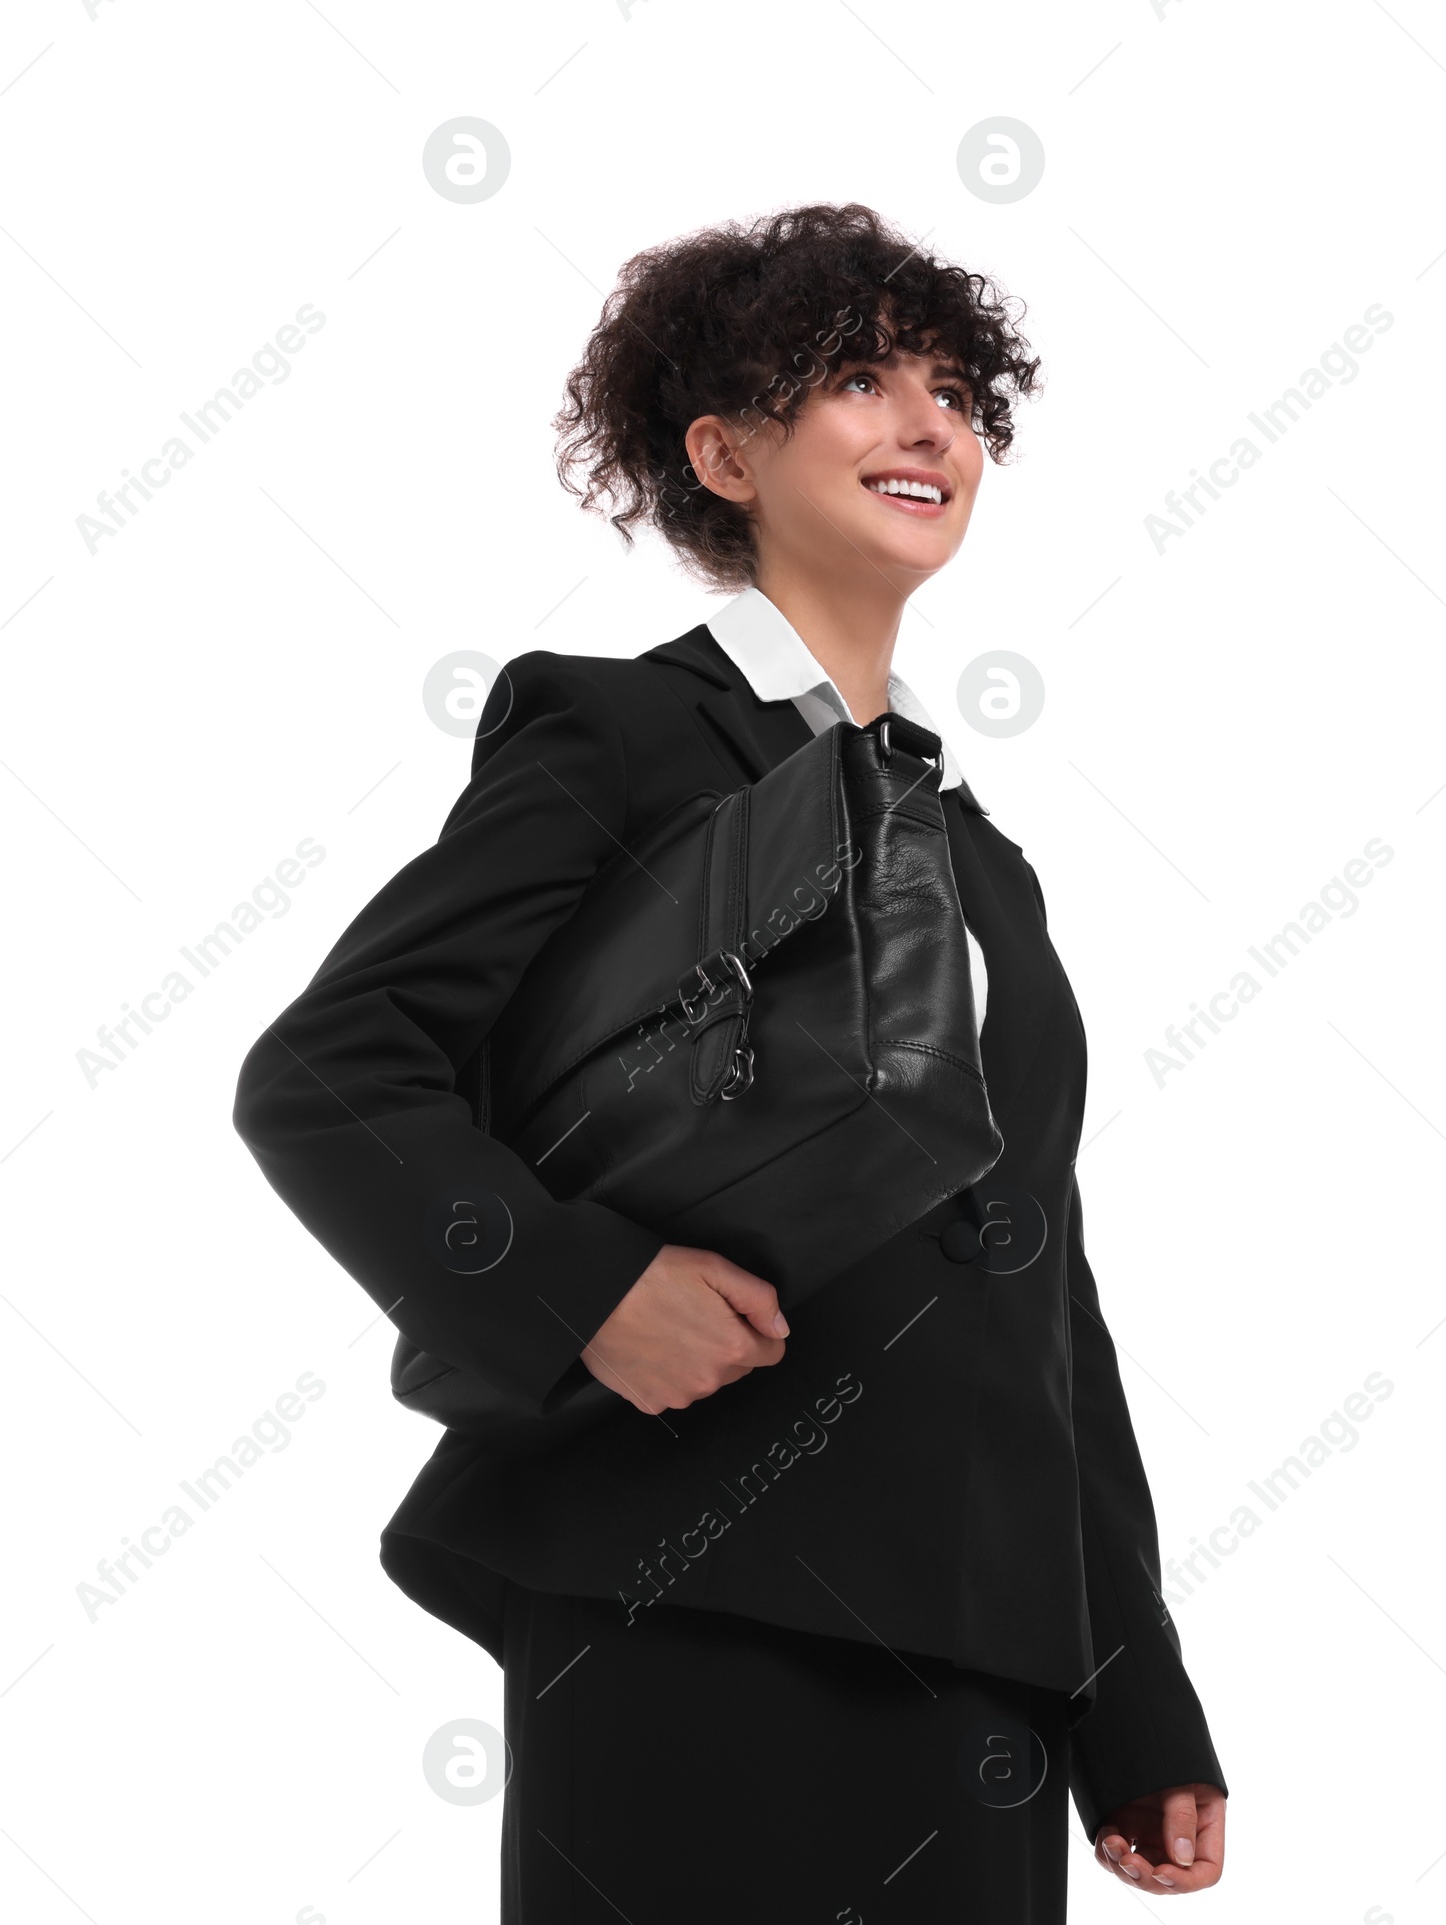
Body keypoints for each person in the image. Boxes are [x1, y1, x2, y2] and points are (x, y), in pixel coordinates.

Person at [233, 202, 1227, 1922]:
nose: (932, 425)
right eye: (858, 380)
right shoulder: (614, 735)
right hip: (689, 1583)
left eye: (953, 389)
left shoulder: (980, 856)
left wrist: (1133, 1687)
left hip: (976, 1656)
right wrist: (583, 1289)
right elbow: (330, 1070)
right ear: (724, 452)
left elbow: (1038, 1281)